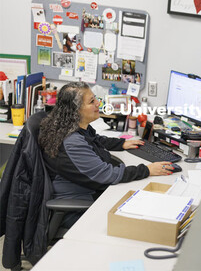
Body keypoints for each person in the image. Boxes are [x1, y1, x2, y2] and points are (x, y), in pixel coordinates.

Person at [38, 82, 174, 227]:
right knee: (144, 218)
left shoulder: (71, 127)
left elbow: (94, 140)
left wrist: (121, 144)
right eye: (92, 102)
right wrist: (147, 170)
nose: (98, 103)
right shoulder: (72, 142)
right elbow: (108, 175)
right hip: (79, 206)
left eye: (95, 98)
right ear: (75, 110)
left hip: (88, 191)